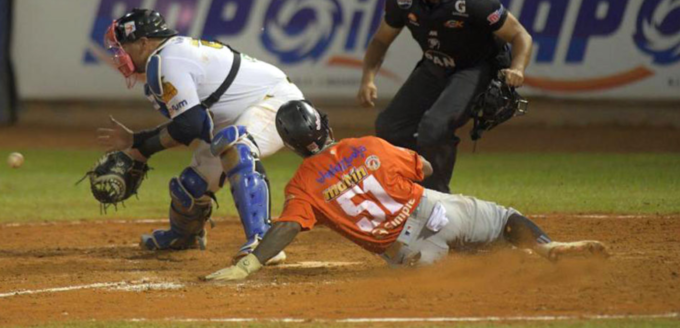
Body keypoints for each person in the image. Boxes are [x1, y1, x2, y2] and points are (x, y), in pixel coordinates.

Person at [204, 100, 607, 281]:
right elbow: (426, 167)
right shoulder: (369, 144)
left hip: (411, 252)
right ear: (324, 127)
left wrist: (248, 265)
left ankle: (500, 263)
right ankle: (544, 248)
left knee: (460, 269)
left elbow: (287, 228)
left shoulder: (303, 184)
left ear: (291, 145)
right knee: (503, 220)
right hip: (437, 209)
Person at [98, 8, 305, 262]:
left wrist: (141, 148)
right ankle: (184, 237)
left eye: (123, 46)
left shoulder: (166, 61)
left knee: (236, 147)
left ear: (143, 43)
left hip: (276, 102)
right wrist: (138, 142)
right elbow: (199, 125)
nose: (120, 55)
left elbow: (190, 126)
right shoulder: (166, 58)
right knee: (190, 186)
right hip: (238, 117)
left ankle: (263, 240)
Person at [357, 0, 533, 194]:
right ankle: (409, 186)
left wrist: (517, 68)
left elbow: (520, 35)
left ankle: (437, 196)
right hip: (435, 64)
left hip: (474, 68)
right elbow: (380, 40)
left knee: (434, 127)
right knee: (389, 126)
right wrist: (368, 79)